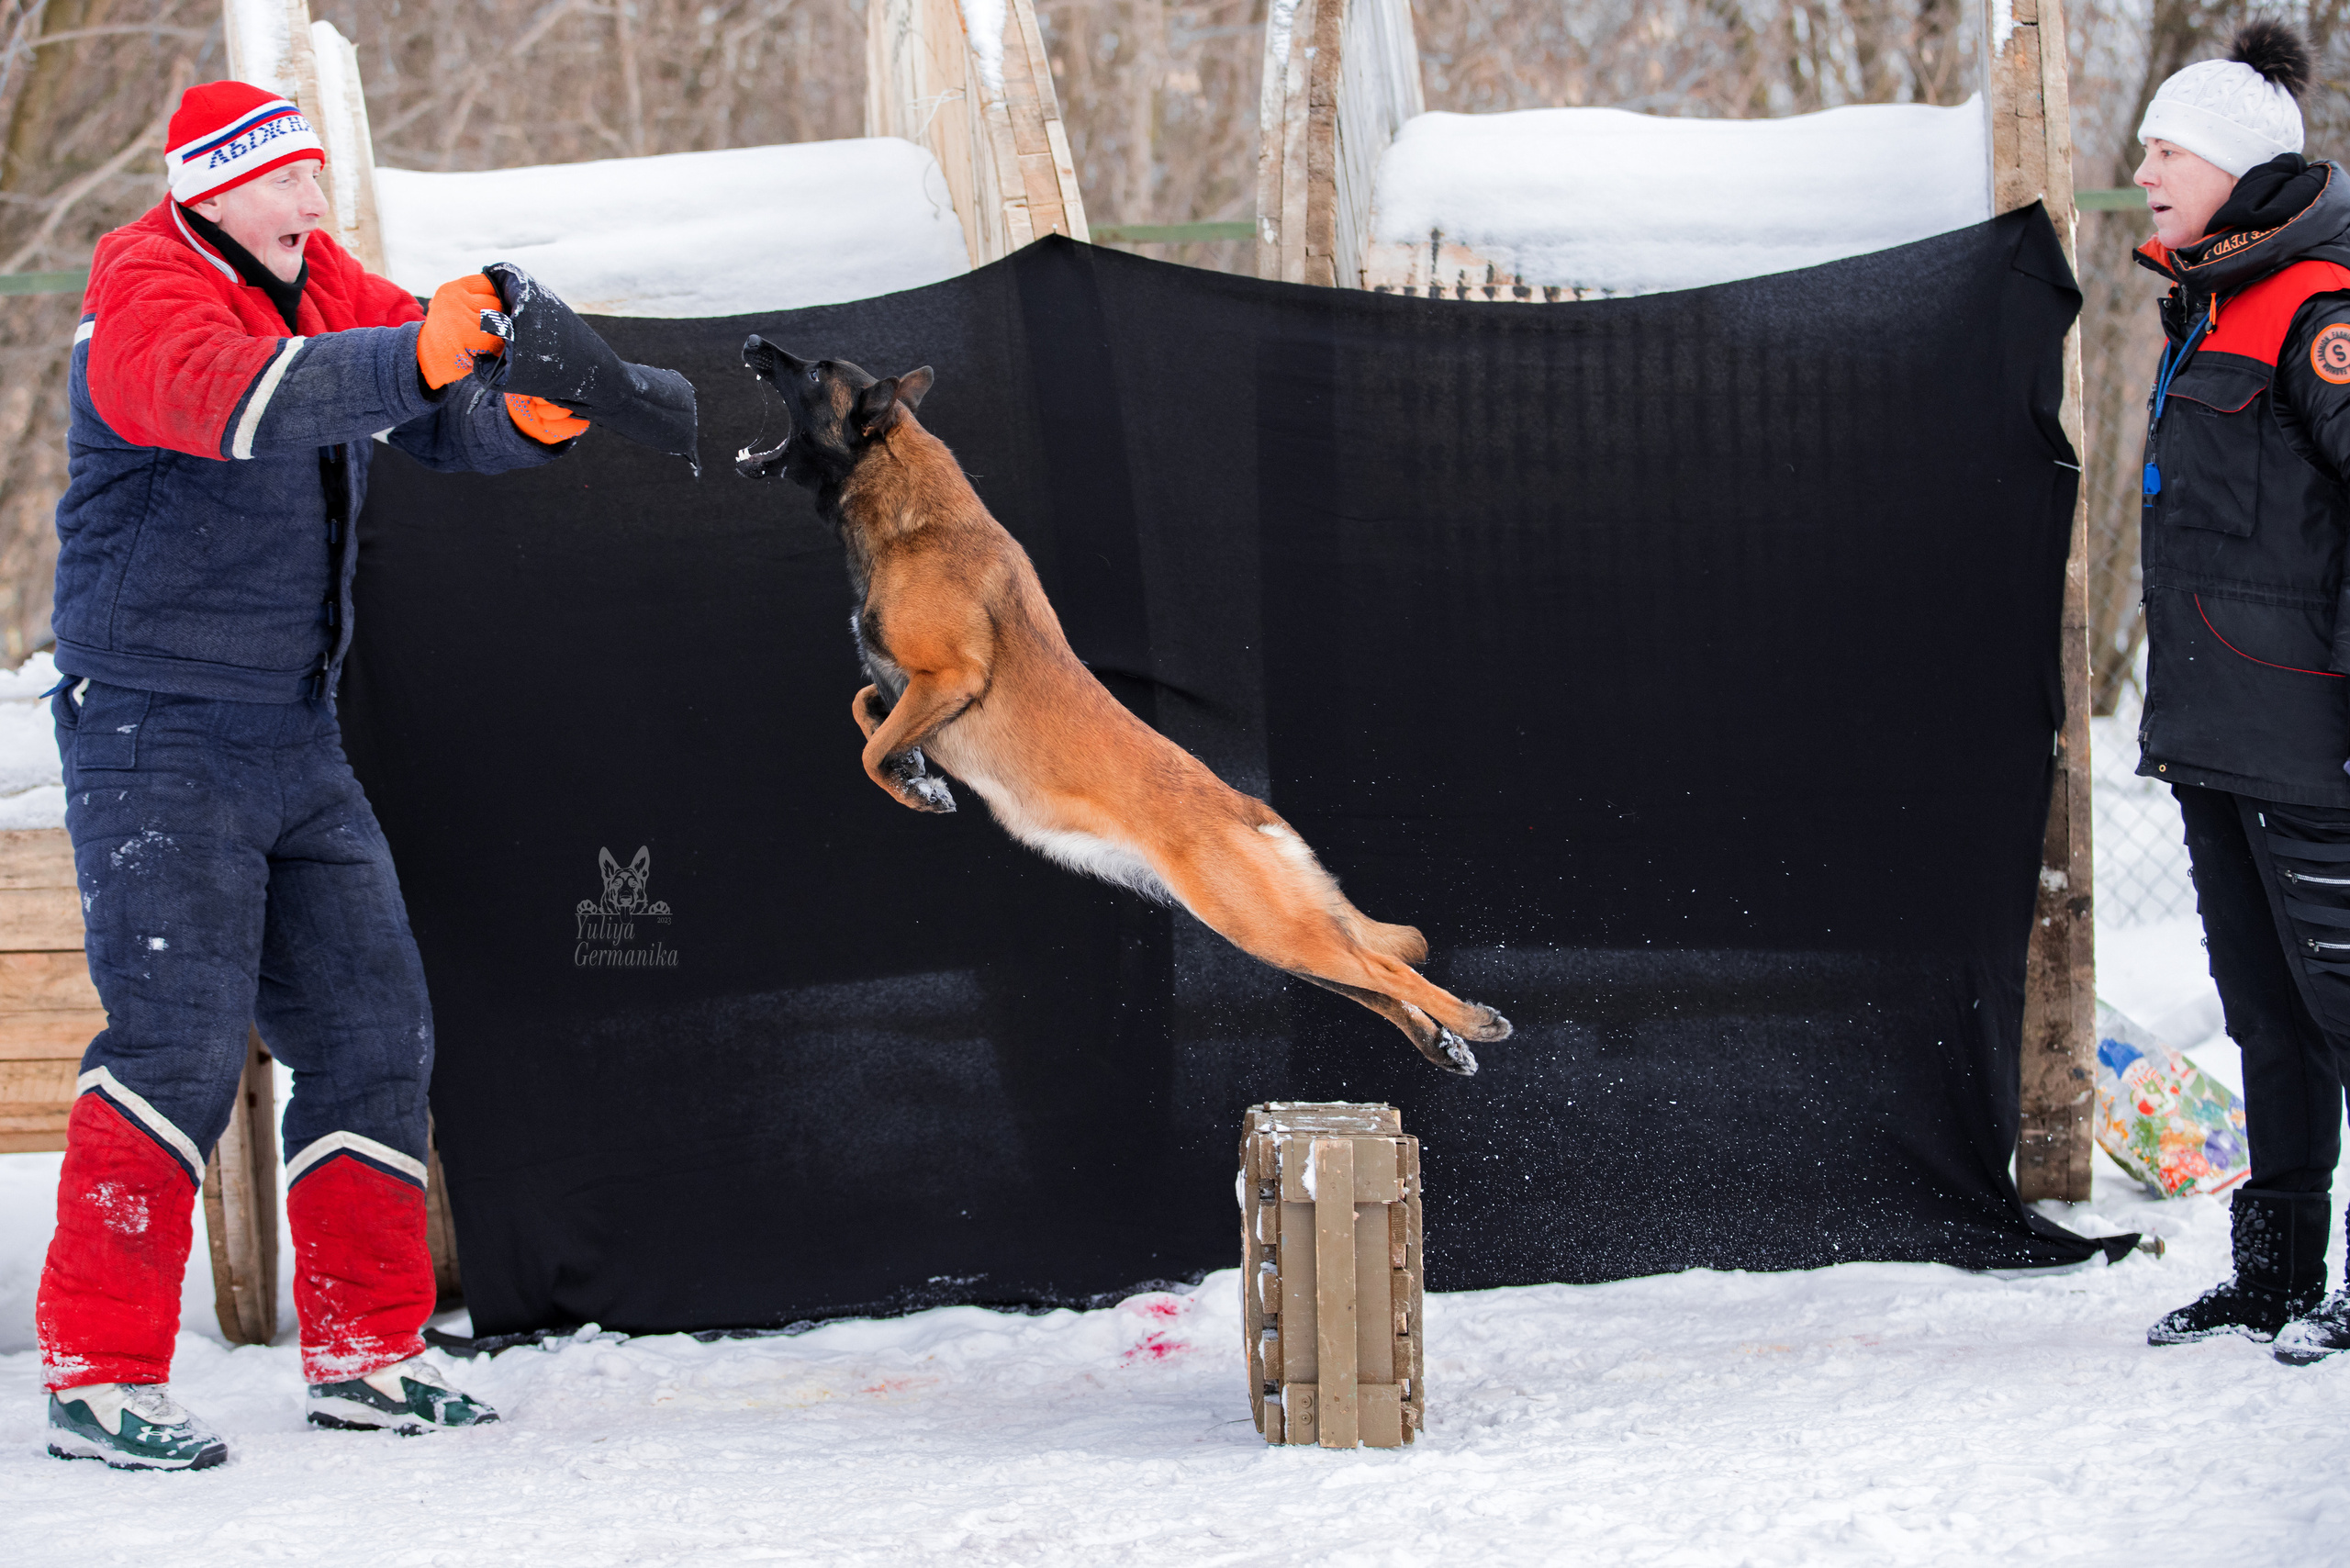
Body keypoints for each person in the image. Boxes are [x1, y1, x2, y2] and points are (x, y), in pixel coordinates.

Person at [35, 80, 608, 1469]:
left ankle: (366, 1355)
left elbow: (426, 408)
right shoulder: (143, 300)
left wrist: (520, 411)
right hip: (156, 730)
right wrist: (421, 354)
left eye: (313, 178)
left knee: (371, 1036)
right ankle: (96, 1371)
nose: (313, 202)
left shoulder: (320, 280)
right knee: (173, 1048)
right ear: (211, 190)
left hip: (294, 732)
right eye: (286, 181)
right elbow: (238, 404)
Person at [2132, 23, 2350, 1365]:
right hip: (2219, 737)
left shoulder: (2320, 305)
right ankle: (2273, 1277)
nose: (2145, 169)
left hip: (2312, 736)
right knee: (2268, 1017)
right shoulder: (2211, 302)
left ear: (2232, 165)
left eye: (2167, 149)